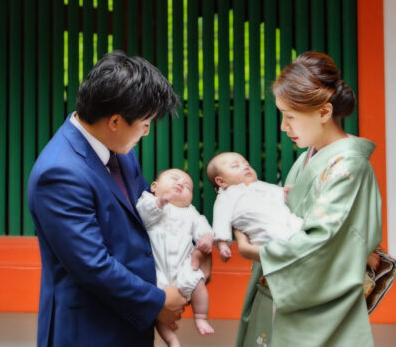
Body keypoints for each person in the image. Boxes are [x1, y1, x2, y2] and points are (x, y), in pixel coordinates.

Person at [27, 51, 193, 347]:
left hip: (129, 319)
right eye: (145, 123)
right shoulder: (59, 172)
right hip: (89, 331)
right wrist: (157, 301)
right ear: (115, 120)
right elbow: (92, 265)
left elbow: (141, 222)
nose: (147, 131)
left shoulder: (118, 149)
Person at [234, 51, 382, 347]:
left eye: (290, 117)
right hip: (280, 291)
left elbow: (322, 243)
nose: (283, 126)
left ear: (324, 112)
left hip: (317, 308)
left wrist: (258, 251)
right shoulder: (306, 160)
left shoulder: (348, 167)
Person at [136, 168, 215, 347]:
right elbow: (141, 216)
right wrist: (159, 203)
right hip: (156, 267)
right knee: (159, 305)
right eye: (174, 179)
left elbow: (203, 226)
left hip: (184, 265)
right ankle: (172, 340)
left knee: (198, 282)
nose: (181, 183)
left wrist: (206, 238)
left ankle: (201, 316)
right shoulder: (148, 200)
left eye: (187, 186)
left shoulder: (190, 211)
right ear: (154, 187)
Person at [206, 152, 303, 262]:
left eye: (247, 164)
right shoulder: (226, 196)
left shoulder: (261, 185)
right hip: (261, 229)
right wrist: (222, 244)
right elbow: (221, 219)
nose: (245, 167)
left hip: (285, 220)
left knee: (299, 224)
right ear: (221, 181)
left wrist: (287, 193)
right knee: (281, 238)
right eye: (235, 166)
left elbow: (279, 194)